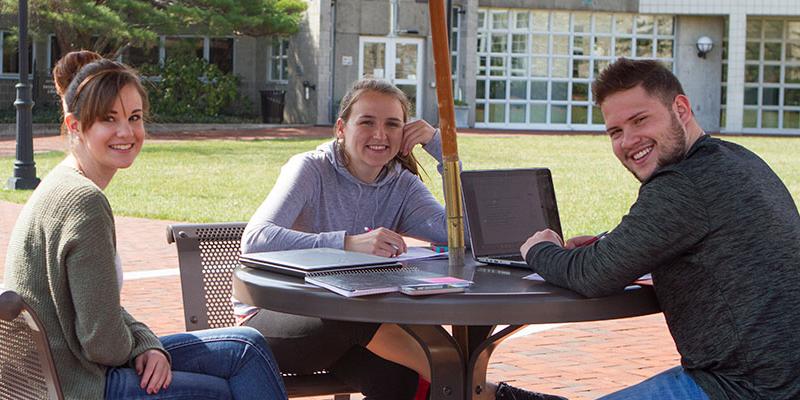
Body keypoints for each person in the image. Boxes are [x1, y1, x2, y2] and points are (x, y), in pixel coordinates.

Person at [4, 52, 288, 400]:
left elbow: (98, 306)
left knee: (247, 346)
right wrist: (145, 349)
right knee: (225, 387)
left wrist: (146, 343)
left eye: (134, 117)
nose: (127, 132)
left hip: (56, 371)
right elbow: (102, 344)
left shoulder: (62, 181)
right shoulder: (84, 202)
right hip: (77, 383)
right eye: (109, 119)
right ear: (75, 125)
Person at [515, 58, 800, 399]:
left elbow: (593, 275)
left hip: (746, 389)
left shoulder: (683, 183)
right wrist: (608, 246)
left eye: (640, 120)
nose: (629, 141)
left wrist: (539, 249)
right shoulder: (736, 158)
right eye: (615, 132)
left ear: (680, 109)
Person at [238, 78, 452, 399]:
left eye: (392, 124)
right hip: (273, 323)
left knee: (403, 382)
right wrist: (348, 244)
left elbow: (463, 232)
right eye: (367, 122)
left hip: (350, 335)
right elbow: (256, 239)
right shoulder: (310, 169)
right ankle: (464, 380)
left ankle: (460, 381)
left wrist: (441, 148)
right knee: (354, 312)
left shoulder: (402, 186)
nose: (380, 135)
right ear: (341, 128)